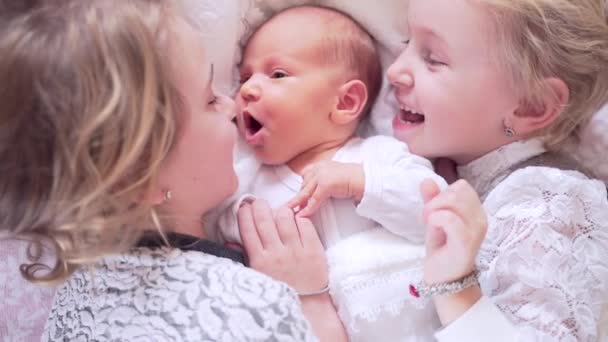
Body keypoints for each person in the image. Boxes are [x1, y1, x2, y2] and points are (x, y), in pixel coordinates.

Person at [0, 1, 329, 340]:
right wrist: (307, 297)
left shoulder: (69, 301)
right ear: (139, 176)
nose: (233, 104)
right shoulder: (254, 306)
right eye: (210, 100)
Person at [218, 5, 446, 340]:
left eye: (277, 74)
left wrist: (361, 182)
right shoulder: (251, 192)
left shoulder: (378, 157)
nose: (247, 90)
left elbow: (437, 212)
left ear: (345, 102)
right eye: (244, 78)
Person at [386, 0, 608, 340]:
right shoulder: (438, 159)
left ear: (531, 105)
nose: (394, 70)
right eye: (405, 43)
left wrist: (457, 291)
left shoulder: (550, 202)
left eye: (433, 58)